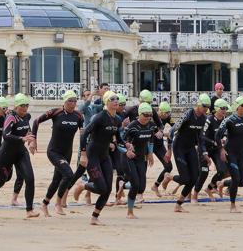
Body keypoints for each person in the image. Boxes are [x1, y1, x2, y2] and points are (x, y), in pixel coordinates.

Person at [33, 90, 83, 217]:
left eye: (75, 101)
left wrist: (83, 152)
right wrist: (33, 139)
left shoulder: (78, 116)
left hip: (67, 152)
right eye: (70, 101)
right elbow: (36, 121)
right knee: (68, 174)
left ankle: (44, 204)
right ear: (64, 102)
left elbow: (83, 136)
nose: (73, 103)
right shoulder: (56, 112)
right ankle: (58, 203)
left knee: (56, 180)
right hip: (54, 151)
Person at [79, 91, 121, 225]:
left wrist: (126, 144)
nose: (116, 101)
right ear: (106, 102)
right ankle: (83, 186)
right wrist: (84, 154)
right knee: (102, 188)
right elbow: (84, 134)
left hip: (104, 156)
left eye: (117, 99)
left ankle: (95, 217)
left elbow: (118, 137)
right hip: (93, 155)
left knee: (107, 189)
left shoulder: (117, 119)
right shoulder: (99, 117)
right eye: (112, 99)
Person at [0, 93, 39, 218]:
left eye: (26, 106)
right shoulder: (11, 117)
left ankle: (29, 210)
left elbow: (28, 130)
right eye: (22, 106)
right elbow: (6, 135)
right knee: (0, 180)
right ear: (16, 106)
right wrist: (22, 138)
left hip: (20, 152)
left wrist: (31, 141)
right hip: (6, 153)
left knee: (30, 178)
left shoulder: (26, 116)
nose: (25, 108)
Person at [166, 94, 209, 213]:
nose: (206, 109)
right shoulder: (188, 114)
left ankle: (179, 204)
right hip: (179, 147)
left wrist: (204, 153)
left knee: (194, 178)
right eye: (204, 106)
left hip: (190, 148)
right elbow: (174, 128)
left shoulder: (203, 118)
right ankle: (169, 177)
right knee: (185, 178)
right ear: (199, 104)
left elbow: (200, 137)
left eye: (208, 107)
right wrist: (169, 147)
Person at [214, 96, 243, 213]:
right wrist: (221, 150)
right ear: (237, 107)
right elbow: (217, 135)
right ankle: (232, 205)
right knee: (236, 179)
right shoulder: (229, 120)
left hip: (241, 153)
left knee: (242, 182)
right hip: (230, 153)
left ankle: (222, 183)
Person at [122, 102, 156, 219]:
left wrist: (150, 153)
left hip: (141, 157)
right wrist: (127, 150)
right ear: (139, 114)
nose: (148, 117)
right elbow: (120, 141)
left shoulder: (151, 125)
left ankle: (123, 186)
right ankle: (129, 212)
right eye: (145, 115)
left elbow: (151, 139)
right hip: (129, 157)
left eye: (150, 115)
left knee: (141, 187)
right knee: (136, 185)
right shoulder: (132, 126)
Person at [197, 99, 229, 201]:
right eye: (222, 108)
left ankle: (209, 188)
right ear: (216, 109)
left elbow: (225, 134)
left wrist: (223, 141)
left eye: (226, 108)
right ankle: (194, 192)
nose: (224, 110)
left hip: (216, 149)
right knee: (203, 173)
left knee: (222, 171)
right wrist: (213, 142)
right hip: (204, 147)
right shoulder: (209, 119)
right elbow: (202, 136)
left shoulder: (225, 119)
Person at [150, 101, 174, 197]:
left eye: (169, 113)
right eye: (167, 113)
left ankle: (155, 186)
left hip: (159, 146)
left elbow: (171, 133)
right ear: (161, 112)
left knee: (169, 166)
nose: (168, 115)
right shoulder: (152, 118)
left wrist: (169, 149)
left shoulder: (168, 118)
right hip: (148, 145)